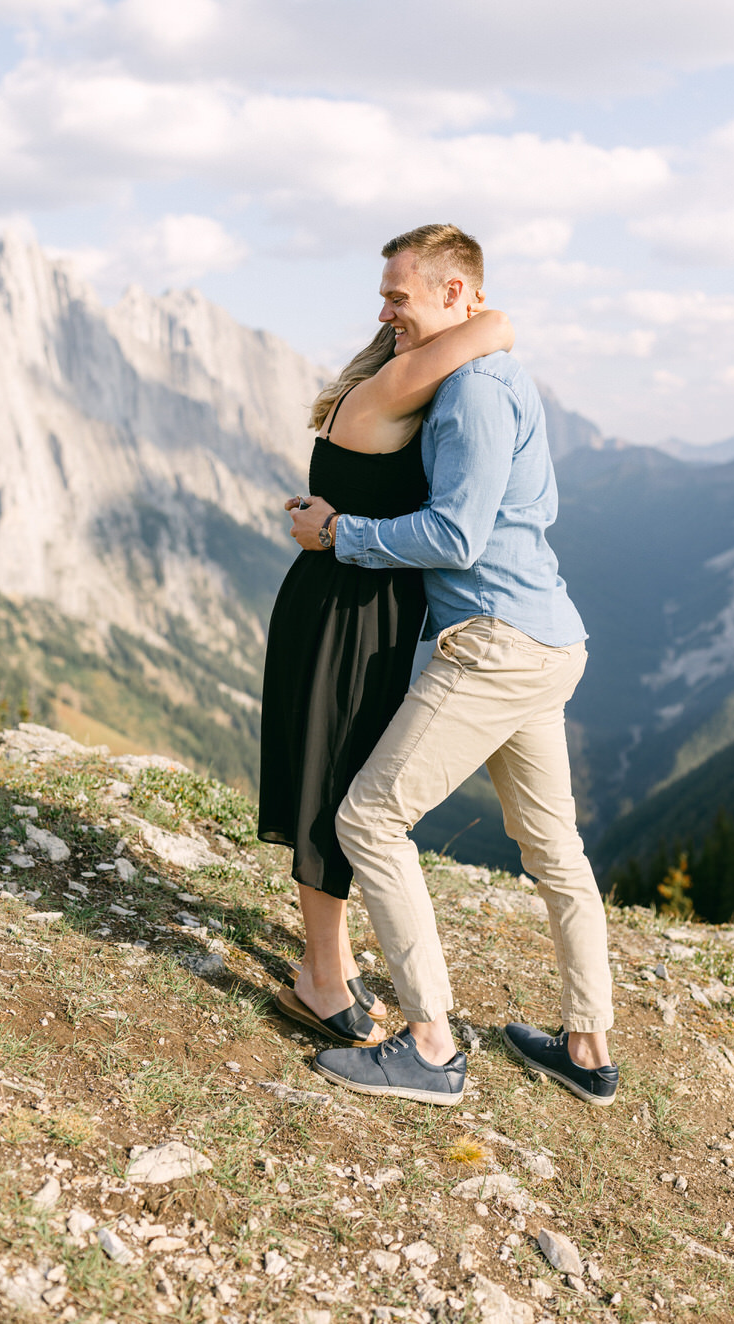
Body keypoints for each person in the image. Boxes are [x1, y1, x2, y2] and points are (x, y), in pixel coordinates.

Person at [289, 222, 617, 1106]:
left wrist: (338, 532)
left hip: (493, 643)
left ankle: (431, 1047)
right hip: (554, 638)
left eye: (400, 294)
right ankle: (588, 1046)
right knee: (554, 848)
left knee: (369, 820)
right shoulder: (503, 375)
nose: (386, 309)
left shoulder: (470, 391)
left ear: (455, 295)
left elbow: (456, 534)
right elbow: (526, 507)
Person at [258, 254, 513, 1048]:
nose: (384, 315)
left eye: (394, 301)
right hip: (348, 610)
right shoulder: (389, 388)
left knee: (334, 775)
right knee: (331, 782)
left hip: (345, 600)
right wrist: (468, 308)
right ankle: (320, 977)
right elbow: (498, 326)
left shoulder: (379, 390)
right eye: (388, 302)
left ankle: (324, 960)